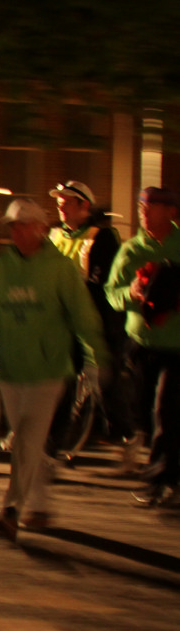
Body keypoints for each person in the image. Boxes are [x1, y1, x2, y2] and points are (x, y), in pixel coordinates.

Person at [0, 198, 107, 537]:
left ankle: (11, 509)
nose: (17, 232)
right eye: (13, 226)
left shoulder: (60, 269)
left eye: (23, 226)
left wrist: (95, 360)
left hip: (47, 370)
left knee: (25, 438)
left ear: (40, 228)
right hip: (9, 369)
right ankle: (39, 506)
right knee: (28, 441)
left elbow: (83, 317)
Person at [105, 186, 180, 507]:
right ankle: (164, 470)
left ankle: (162, 481)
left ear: (171, 211)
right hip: (140, 343)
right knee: (145, 411)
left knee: (167, 410)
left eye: (151, 207)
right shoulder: (131, 250)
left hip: (176, 345)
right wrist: (131, 292)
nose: (144, 213)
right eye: (141, 207)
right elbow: (111, 293)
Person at [48, 180, 128, 454]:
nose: (61, 207)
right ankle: (53, 443)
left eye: (67, 202)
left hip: (92, 324)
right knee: (61, 382)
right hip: (61, 324)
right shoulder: (54, 235)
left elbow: (100, 282)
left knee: (104, 386)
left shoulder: (102, 237)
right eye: (59, 202)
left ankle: (126, 434)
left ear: (85, 206)